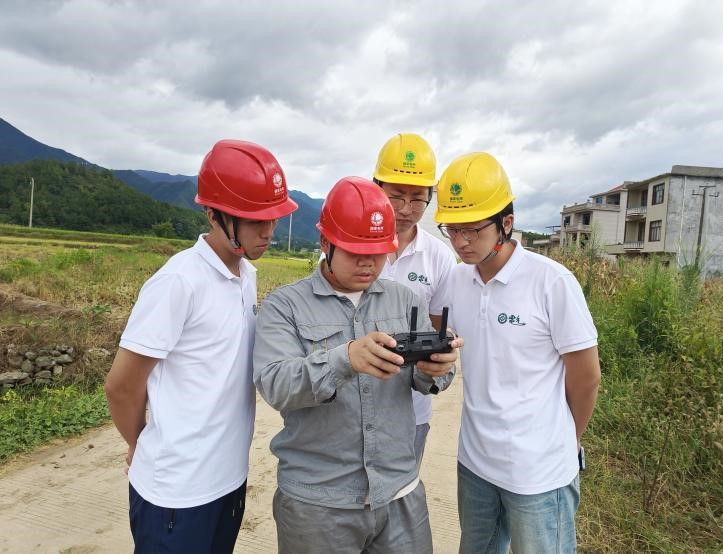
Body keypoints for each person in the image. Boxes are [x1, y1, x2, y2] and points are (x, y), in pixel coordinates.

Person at [104, 140, 298, 553]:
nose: (268, 231)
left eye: (273, 218)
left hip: (228, 480)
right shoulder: (178, 282)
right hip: (177, 493)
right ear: (214, 214)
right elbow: (121, 386)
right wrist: (140, 444)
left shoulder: (246, 275)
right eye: (254, 220)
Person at [253, 177, 462, 554]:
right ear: (325, 243)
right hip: (318, 502)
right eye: (354, 251)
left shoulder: (405, 300)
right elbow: (275, 384)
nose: (368, 263)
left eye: (378, 252)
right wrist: (344, 359)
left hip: (399, 491)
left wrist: (436, 369)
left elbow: (428, 378)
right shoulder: (285, 306)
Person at [434, 153, 601, 553]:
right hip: (475, 465)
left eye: (472, 230)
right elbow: (436, 334)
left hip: (539, 474)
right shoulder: (455, 280)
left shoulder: (551, 282)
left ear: (506, 223)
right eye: (452, 229)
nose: (460, 241)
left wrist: (565, 440)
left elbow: (586, 377)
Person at [373, 132, 457, 464]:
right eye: (396, 196)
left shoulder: (440, 257)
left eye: (418, 199)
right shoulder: (349, 246)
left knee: (402, 491)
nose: (406, 209)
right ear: (376, 187)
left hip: (412, 407)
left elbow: (436, 330)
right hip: (352, 406)